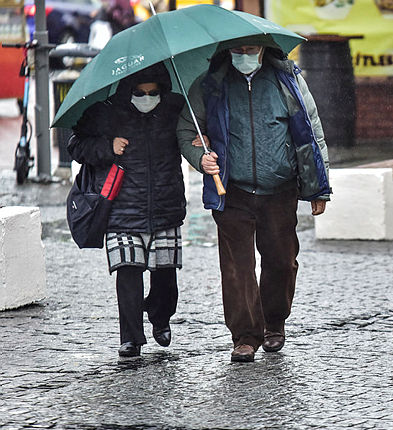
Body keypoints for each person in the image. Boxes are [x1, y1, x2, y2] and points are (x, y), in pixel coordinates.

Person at [176, 44, 331, 363]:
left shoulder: (287, 80)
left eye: (251, 48)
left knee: (281, 262)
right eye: (237, 49)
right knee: (237, 268)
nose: (244, 54)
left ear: (264, 48)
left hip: (280, 190)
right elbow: (186, 130)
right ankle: (245, 336)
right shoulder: (211, 84)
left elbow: (312, 132)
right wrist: (199, 157)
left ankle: (274, 323)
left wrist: (319, 188)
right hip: (231, 191)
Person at [68, 63, 186, 358]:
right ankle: (131, 337)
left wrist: (201, 141)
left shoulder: (175, 109)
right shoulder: (106, 112)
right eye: (140, 92)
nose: (147, 97)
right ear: (127, 90)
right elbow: (76, 145)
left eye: (153, 92)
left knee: (165, 274)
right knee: (128, 270)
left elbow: (190, 138)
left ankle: (160, 317)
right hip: (121, 206)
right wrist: (108, 146)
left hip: (165, 203)